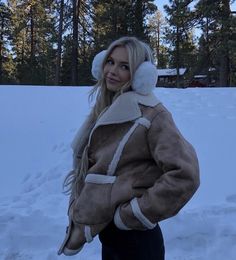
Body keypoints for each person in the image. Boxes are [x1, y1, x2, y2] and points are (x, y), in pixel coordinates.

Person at [58, 36, 200, 260]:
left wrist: (132, 215)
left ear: (141, 75)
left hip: (136, 241)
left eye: (125, 66)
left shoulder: (153, 115)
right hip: (112, 236)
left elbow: (185, 175)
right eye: (110, 61)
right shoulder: (107, 107)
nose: (112, 71)